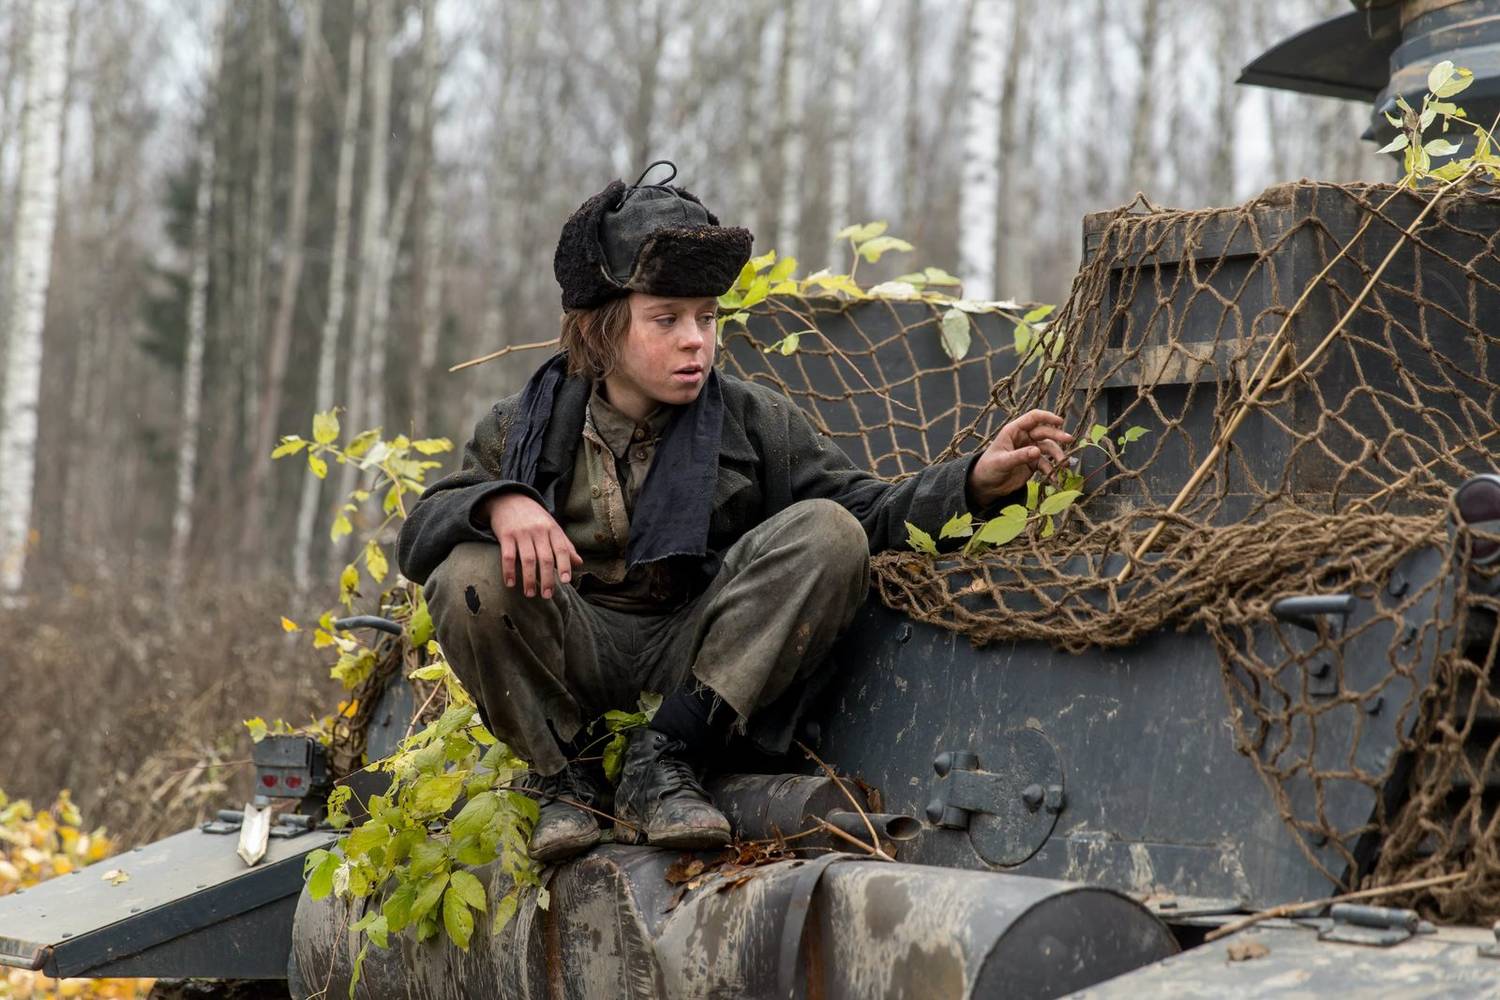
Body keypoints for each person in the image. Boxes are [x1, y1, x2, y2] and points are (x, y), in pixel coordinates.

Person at [396, 160, 1072, 863]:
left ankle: (663, 761)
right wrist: (502, 503)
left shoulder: (753, 420)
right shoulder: (520, 428)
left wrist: (974, 482)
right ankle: (565, 777)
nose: (696, 339)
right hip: (574, 646)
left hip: (695, 657)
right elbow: (421, 535)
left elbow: (867, 511)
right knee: (469, 573)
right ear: (602, 332)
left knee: (829, 532)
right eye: (666, 319)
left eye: (707, 317)